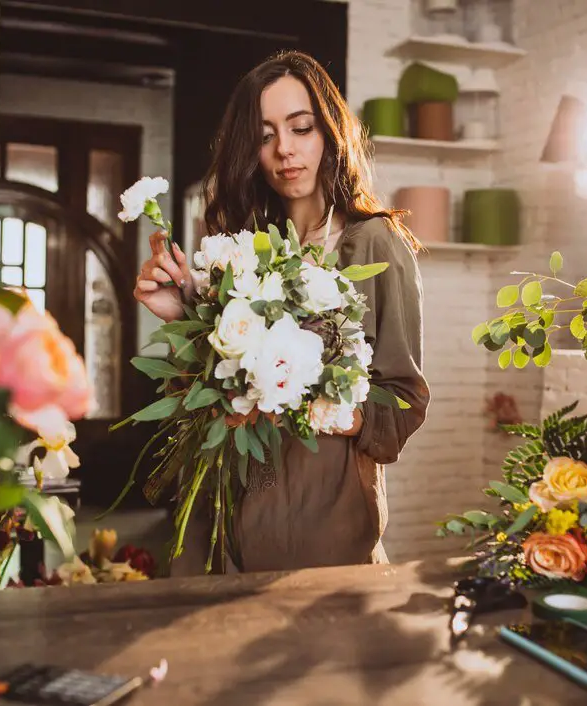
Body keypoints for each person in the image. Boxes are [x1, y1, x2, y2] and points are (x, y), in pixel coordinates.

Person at [133, 50, 430, 575]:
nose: (284, 150)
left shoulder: (372, 244)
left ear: (329, 133)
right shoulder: (241, 248)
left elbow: (403, 400)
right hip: (223, 510)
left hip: (320, 521)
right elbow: (209, 394)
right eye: (265, 135)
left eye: (301, 127)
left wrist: (317, 405)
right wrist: (181, 314)